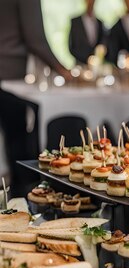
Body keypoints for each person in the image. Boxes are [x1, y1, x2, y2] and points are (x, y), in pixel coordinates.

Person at [1, 0, 71, 196]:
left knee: (11, 142)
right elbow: (35, 38)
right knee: (20, 145)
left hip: (6, 75)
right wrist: (62, 70)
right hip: (10, 75)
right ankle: (24, 198)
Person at [69, 0, 107, 65]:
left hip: (97, 66)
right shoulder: (75, 22)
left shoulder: (99, 23)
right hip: (80, 65)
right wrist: (87, 59)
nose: (90, 2)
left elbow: (102, 44)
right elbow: (72, 47)